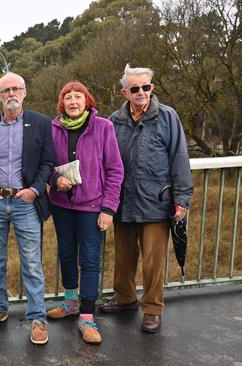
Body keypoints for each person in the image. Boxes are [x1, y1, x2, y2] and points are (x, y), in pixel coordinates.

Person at [100, 64, 193, 333]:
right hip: (124, 200)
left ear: (152, 88)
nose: (141, 92)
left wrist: (182, 198)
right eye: (135, 88)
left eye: (146, 87)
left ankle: (152, 309)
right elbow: (106, 161)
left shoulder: (167, 116)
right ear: (125, 92)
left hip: (156, 201)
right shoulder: (114, 121)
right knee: (124, 255)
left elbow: (179, 158)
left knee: (153, 260)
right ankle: (125, 297)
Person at [0, 72, 54, 345]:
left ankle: (37, 317)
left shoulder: (41, 123)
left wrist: (34, 190)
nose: (11, 94)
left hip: (26, 202)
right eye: (6, 90)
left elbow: (48, 162)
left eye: (16, 89)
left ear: (24, 93)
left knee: (32, 262)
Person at [45, 81, 124, 344]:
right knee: (66, 254)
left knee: (89, 260)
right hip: (61, 205)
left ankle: (87, 315)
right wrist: (55, 179)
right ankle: (70, 303)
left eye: (78, 97)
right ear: (62, 103)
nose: (73, 101)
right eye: (68, 97)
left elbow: (115, 170)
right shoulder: (53, 128)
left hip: (92, 207)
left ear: (87, 101)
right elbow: (45, 164)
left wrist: (108, 209)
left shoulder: (103, 127)